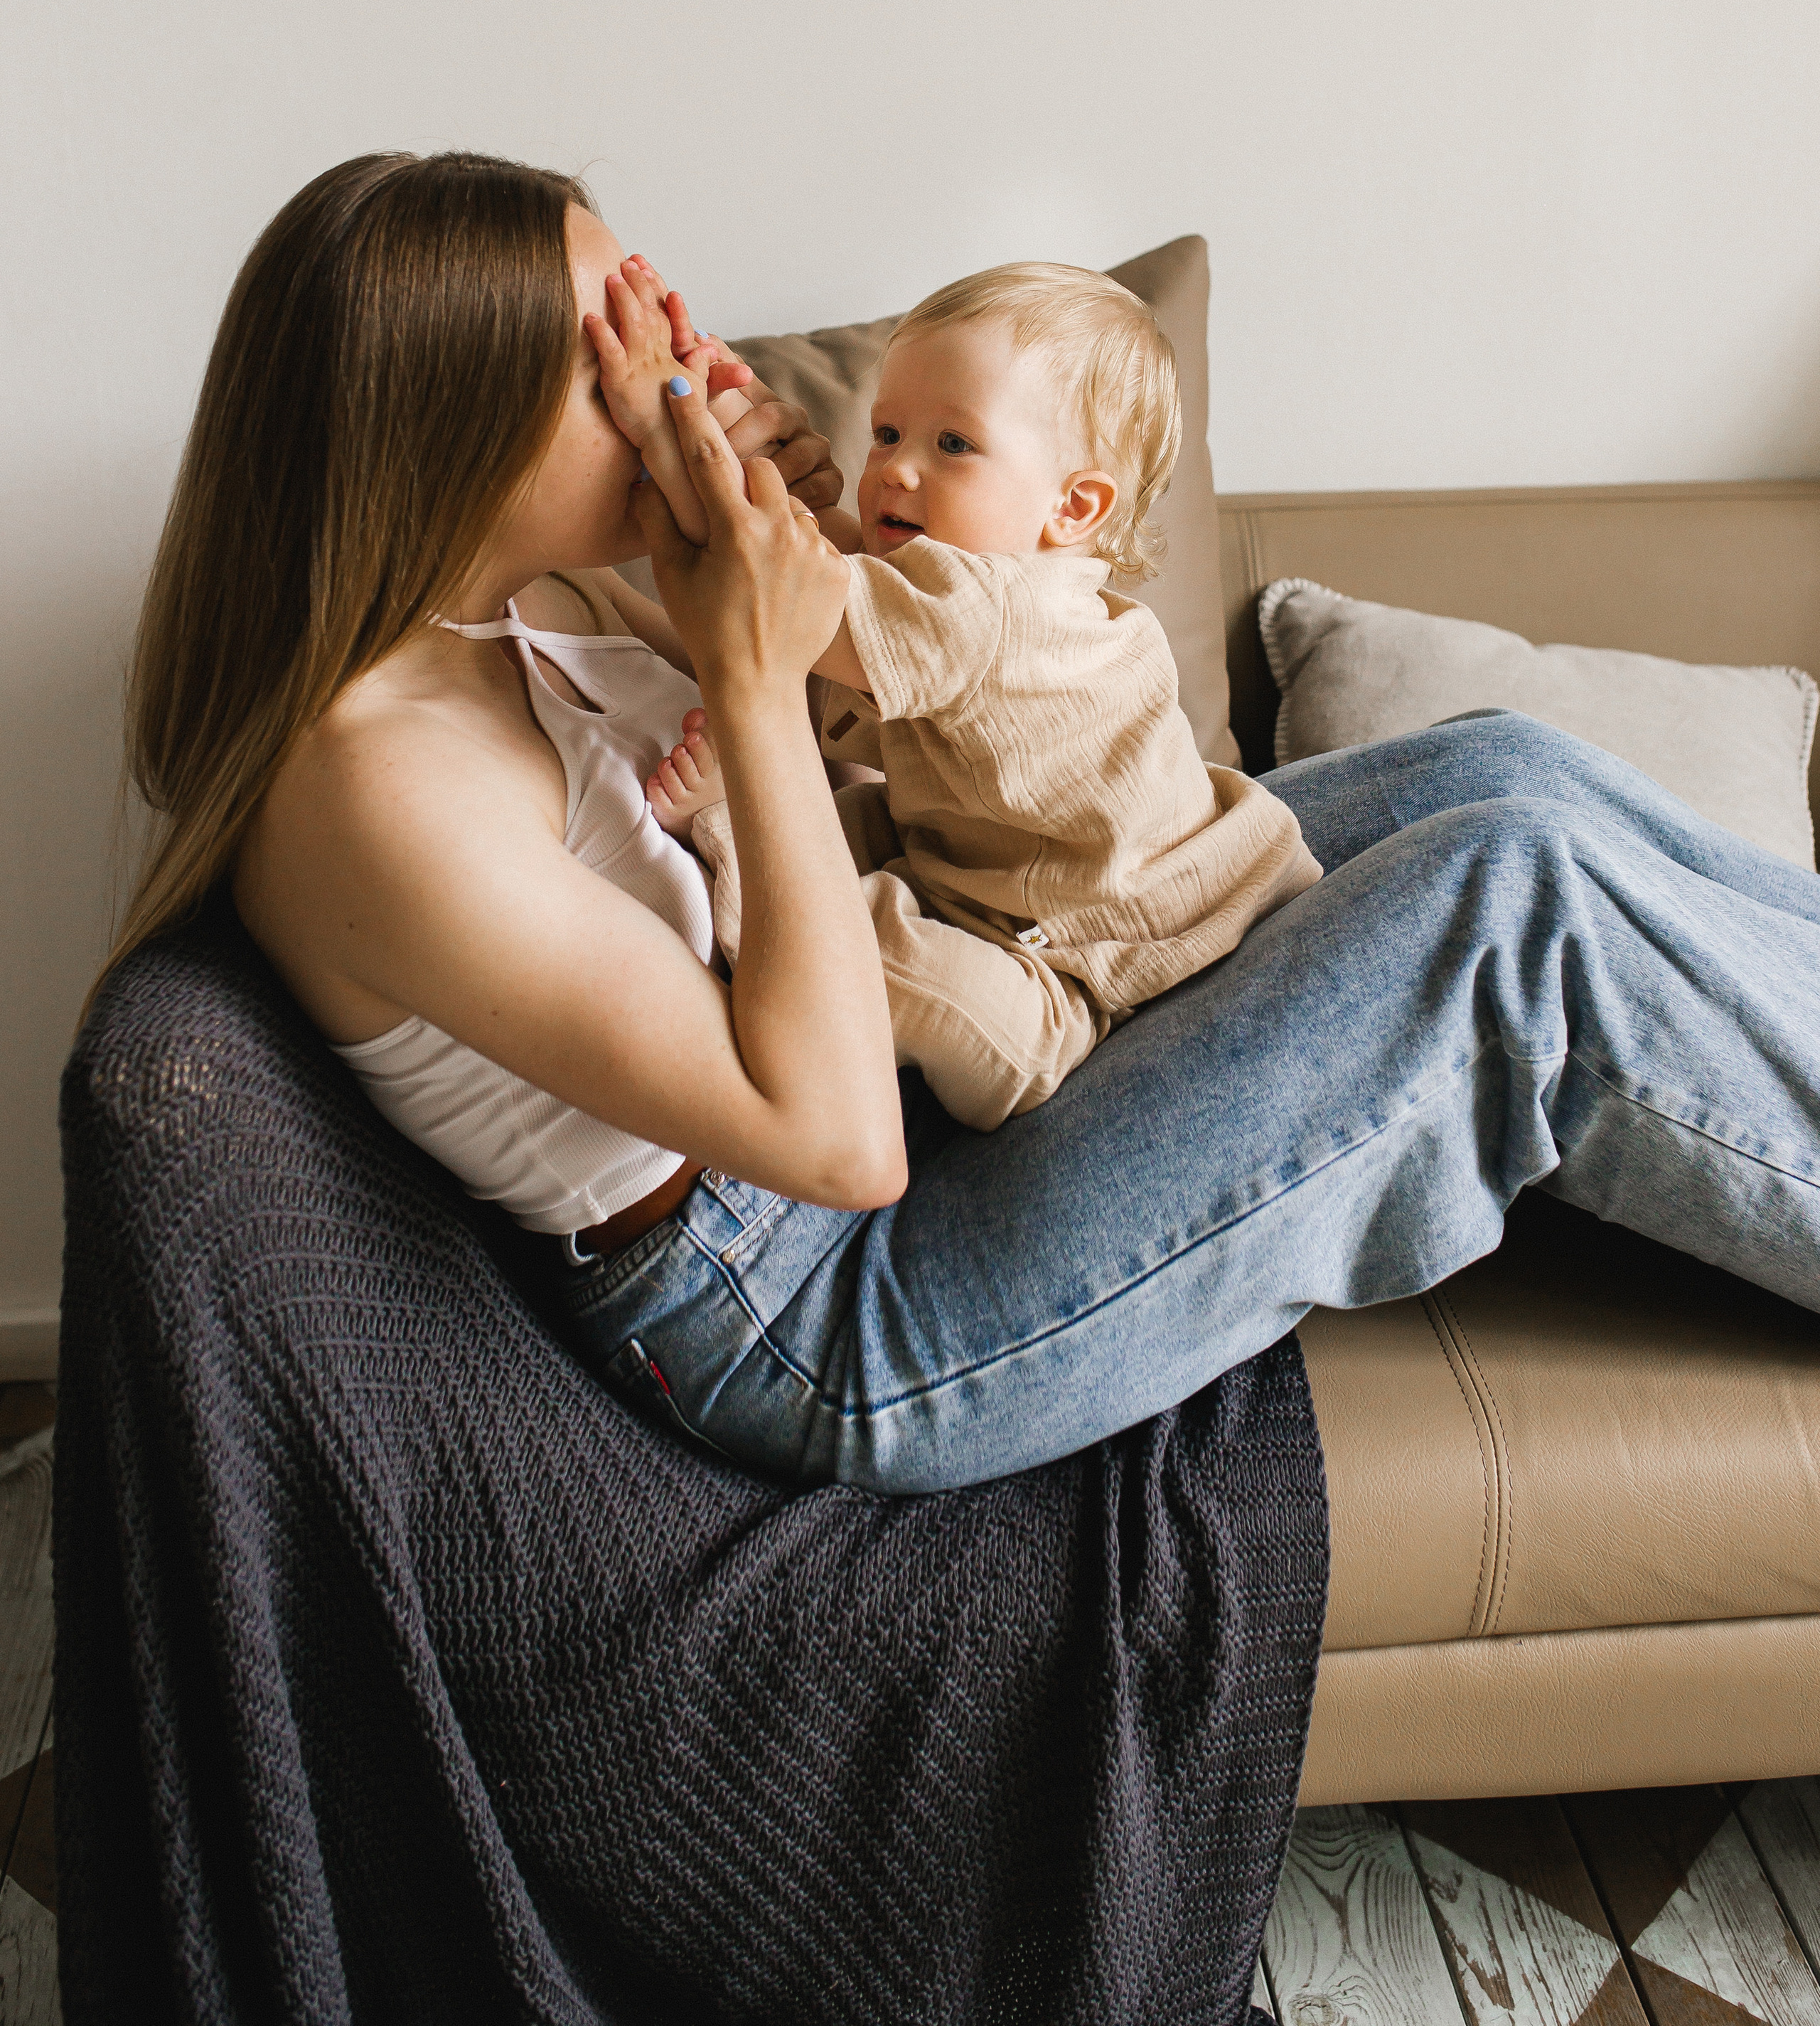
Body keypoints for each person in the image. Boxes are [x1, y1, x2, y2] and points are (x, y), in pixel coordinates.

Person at [116, 148, 1820, 1497]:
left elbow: (833, 655)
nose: (671, 392)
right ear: (449, 431)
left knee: (1496, 771)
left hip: (900, 1086)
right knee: (1503, 903)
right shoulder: (371, 789)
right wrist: (752, 665)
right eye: (612, 370)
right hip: (824, 1302)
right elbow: (838, 1135)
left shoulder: (505, 617)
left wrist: (773, 503)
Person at [645, 261, 1320, 1129]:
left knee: (963, 1013)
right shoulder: (1010, 592)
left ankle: (728, 837)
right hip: (1015, 876)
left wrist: (699, 446)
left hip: (1082, 954)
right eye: (887, 432)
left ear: (1073, 507)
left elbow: (792, 599)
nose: (894, 469)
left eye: (952, 445)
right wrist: (766, 454)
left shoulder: (987, 611)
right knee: (864, 832)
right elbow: (840, 575)